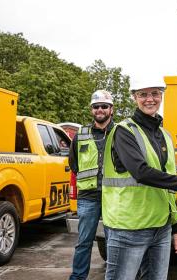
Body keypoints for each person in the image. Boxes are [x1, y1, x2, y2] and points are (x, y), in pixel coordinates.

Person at [102, 79, 177, 280]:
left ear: (162, 95)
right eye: (143, 94)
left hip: (161, 227)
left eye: (155, 93)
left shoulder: (165, 135)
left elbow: (168, 182)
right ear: (134, 97)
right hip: (128, 228)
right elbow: (140, 171)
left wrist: (175, 228)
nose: (150, 99)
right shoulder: (124, 131)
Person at [69, 90, 115, 280]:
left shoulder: (120, 132)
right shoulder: (81, 134)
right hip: (88, 196)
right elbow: (74, 163)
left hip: (114, 195)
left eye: (104, 106)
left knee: (115, 242)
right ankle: (78, 278)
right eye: (96, 107)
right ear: (92, 110)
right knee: (83, 242)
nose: (100, 110)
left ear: (111, 109)